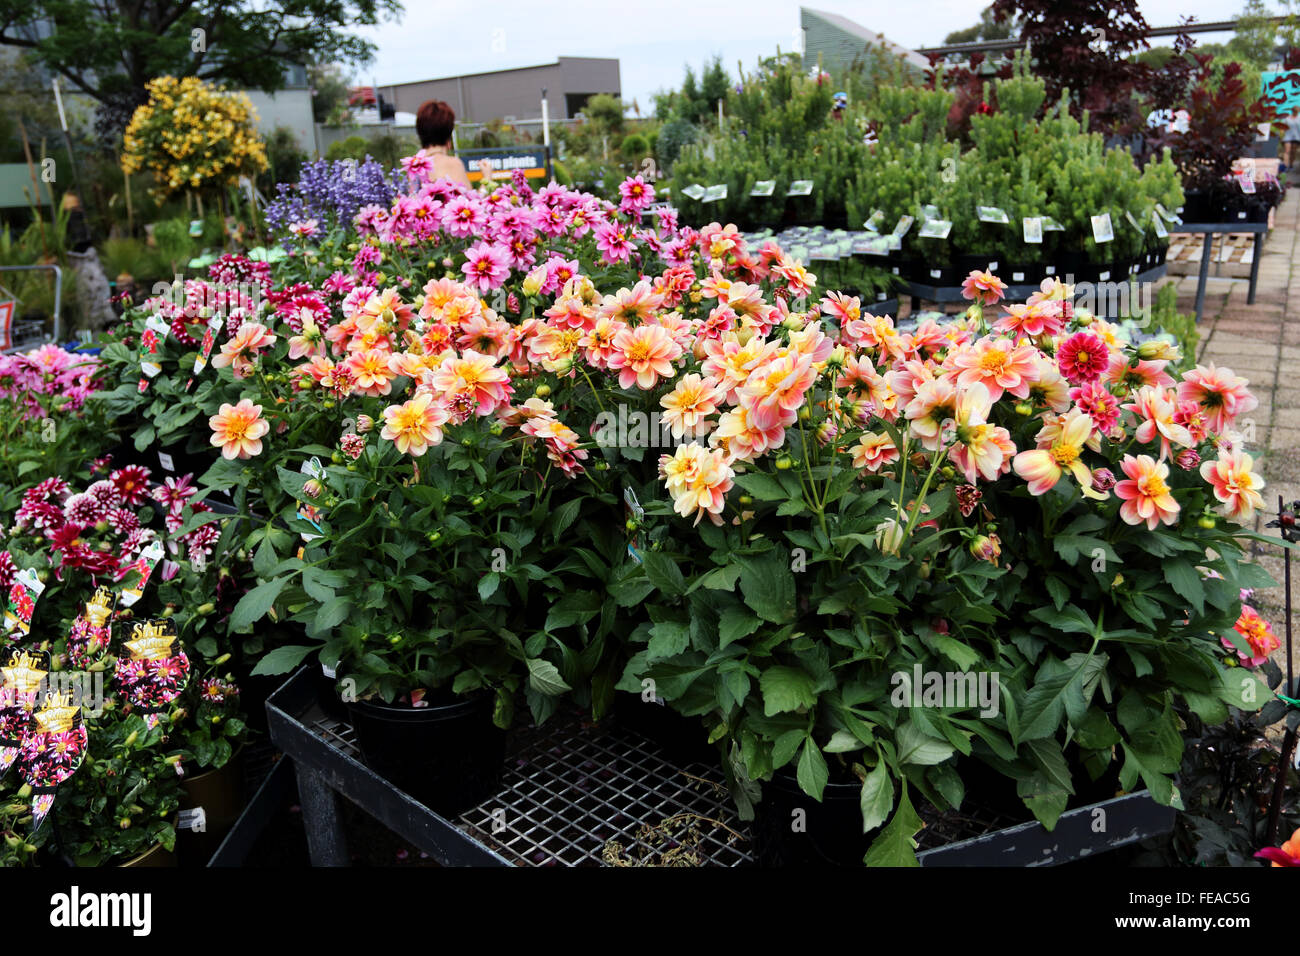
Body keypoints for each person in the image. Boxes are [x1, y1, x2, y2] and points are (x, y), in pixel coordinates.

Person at [414, 100, 471, 187]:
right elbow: (470, 198)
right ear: (449, 131)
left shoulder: (414, 167)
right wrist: (487, 178)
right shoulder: (454, 164)